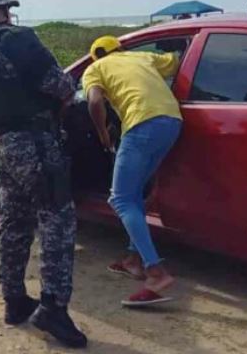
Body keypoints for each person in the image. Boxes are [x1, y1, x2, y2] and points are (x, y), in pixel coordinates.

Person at [0, 0, 87, 348]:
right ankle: (53, 309)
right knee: (57, 221)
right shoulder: (16, 39)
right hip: (36, 143)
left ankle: (13, 299)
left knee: (14, 222)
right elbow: (59, 84)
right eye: (7, 10)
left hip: (0, 146)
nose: (10, 16)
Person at [83, 35, 182, 307]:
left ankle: (155, 272)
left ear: (96, 56)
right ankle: (132, 259)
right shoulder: (142, 57)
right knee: (134, 193)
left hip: (140, 125)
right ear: (121, 48)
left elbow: (93, 102)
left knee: (120, 198)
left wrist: (103, 134)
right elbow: (175, 62)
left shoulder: (95, 68)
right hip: (172, 121)